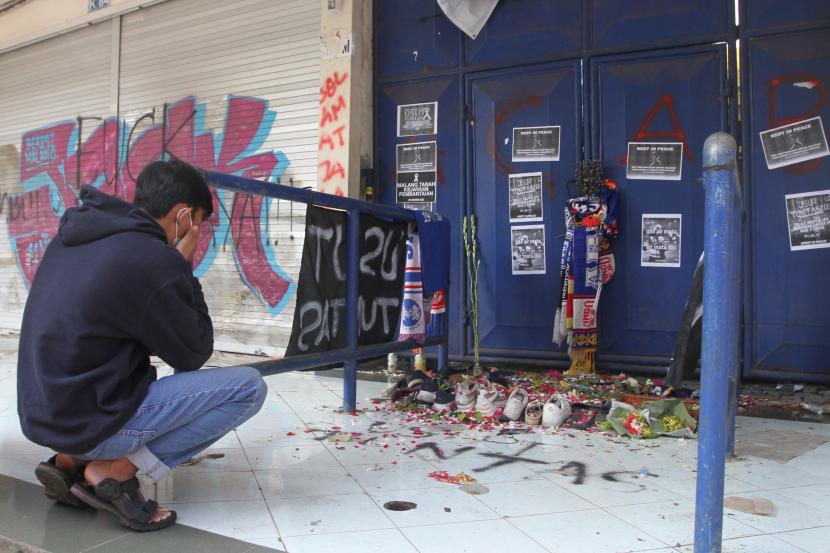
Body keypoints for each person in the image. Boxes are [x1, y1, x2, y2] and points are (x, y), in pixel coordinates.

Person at [17, 159, 267, 531]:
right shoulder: (150, 258)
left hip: (42, 413)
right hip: (87, 420)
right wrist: (182, 266)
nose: (197, 230)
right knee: (248, 387)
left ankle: (69, 460)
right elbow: (193, 353)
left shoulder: (73, 236)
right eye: (197, 220)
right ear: (183, 215)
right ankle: (113, 470)